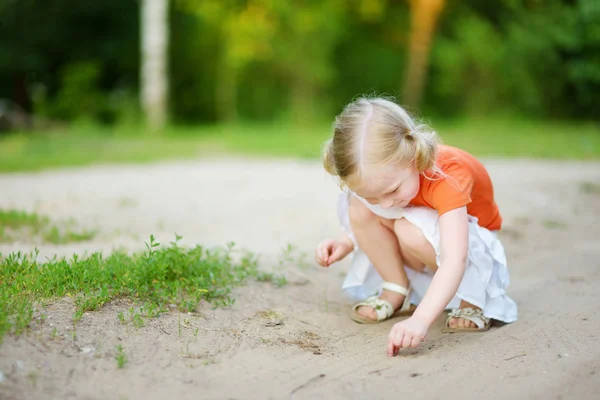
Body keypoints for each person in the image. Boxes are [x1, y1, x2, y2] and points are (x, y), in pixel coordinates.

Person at [315, 96, 517, 356]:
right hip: (425, 235)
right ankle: (396, 287)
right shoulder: (389, 182)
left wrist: (420, 320)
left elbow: (456, 257)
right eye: (374, 196)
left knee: (406, 230)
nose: (385, 205)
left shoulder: (448, 177)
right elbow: (375, 205)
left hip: (470, 246)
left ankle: (472, 298)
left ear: (414, 157)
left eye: (392, 190)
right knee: (358, 205)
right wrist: (346, 240)